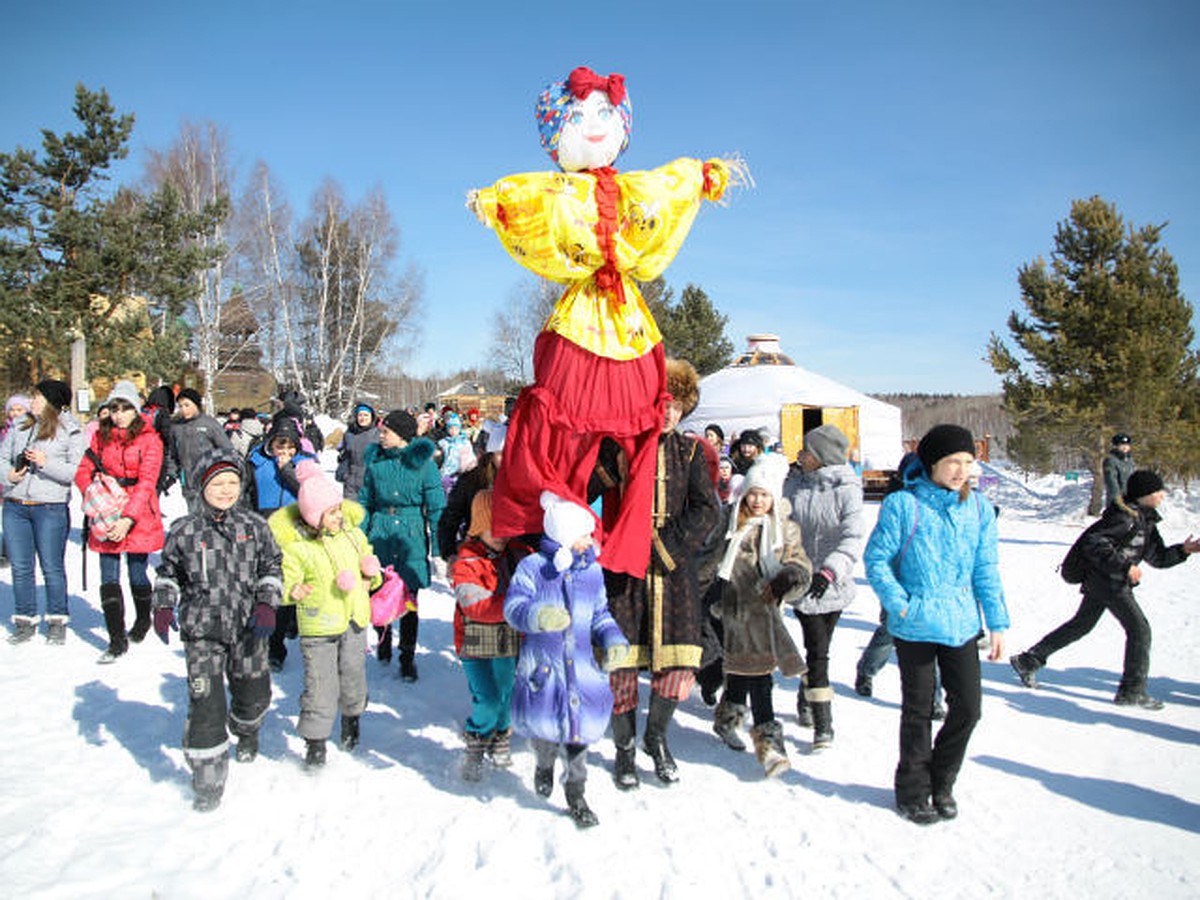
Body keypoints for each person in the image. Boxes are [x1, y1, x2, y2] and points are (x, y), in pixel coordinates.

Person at [863, 424, 1009, 825]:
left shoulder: (978, 508)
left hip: (961, 621)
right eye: (952, 462)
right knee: (919, 710)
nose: (962, 471)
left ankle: (942, 781)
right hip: (916, 621)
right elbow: (877, 561)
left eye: (967, 461)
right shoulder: (903, 505)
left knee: (968, 709)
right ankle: (912, 790)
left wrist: (996, 622)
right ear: (931, 463)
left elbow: (986, 568)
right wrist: (900, 604)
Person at [602, 359, 720, 788]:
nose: (668, 413)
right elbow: (588, 487)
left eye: (676, 405)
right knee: (623, 667)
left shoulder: (690, 451)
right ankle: (625, 750)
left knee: (677, 668)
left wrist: (669, 547)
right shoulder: (623, 444)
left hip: (674, 576)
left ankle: (656, 737)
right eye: (661, 403)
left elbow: (707, 509)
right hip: (626, 572)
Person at [151, 447, 283, 812]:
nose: (226, 490)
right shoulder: (184, 531)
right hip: (201, 630)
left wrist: (266, 601)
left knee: (254, 693)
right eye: (217, 483)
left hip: (248, 628)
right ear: (201, 485)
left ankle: (246, 728)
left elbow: (273, 566)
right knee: (206, 704)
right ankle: (207, 781)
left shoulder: (254, 527)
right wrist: (163, 603)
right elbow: (168, 574)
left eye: (232, 482)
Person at [1010, 469, 1199, 709]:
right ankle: (1132, 691)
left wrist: (1184, 550)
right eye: (1157, 490)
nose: (1162, 494)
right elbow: (1094, 543)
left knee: (1082, 624)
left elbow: (1158, 557)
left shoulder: (1146, 520)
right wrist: (1125, 566)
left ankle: (1030, 660)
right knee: (1140, 630)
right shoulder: (1124, 517)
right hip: (1108, 580)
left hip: (1108, 580)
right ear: (1145, 494)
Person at [503, 492, 629, 828]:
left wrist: (613, 639)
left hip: (583, 671)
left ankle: (576, 794)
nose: (590, 540)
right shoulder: (533, 568)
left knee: (579, 737)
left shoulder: (593, 574)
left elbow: (600, 614)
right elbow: (513, 607)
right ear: (564, 534)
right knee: (545, 732)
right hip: (545, 669)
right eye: (584, 534)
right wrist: (538, 616)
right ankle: (544, 764)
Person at [269, 459, 381, 768]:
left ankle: (351, 717)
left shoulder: (353, 535)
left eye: (338, 509)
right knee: (320, 683)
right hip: (319, 623)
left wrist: (372, 574)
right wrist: (294, 590)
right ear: (313, 518)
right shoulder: (299, 548)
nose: (339, 516)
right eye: (331, 513)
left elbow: (369, 561)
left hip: (354, 620)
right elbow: (287, 578)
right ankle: (315, 740)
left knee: (353, 673)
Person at [710, 454, 811, 776]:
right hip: (731, 611)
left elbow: (799, 563)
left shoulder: (785, 530)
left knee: (750, 673)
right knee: (756, 676)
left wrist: (789, 577)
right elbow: (707, 562)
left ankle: (730, 720)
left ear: (774, 497)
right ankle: (768, 744)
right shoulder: (728, 523)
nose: (757, 500)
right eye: (753, 493)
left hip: (766, 613)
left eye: (765, 495)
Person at [783, 424, 865, 751]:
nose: (800, 454)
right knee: (818, 652)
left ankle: (806, 695)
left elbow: (852, 536)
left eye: (806, 451)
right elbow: (783, 525)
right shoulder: (795, 484)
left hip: (834, 580)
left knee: (819, 646)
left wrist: (831, 570)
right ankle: (823, 722)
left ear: (821, 456)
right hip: (803, 579)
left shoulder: (847, 488)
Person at [75, 380, 165, 662]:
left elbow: (148, 480)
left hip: (137, 510)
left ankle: (142, 619)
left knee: (137, 573)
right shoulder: (100, 437)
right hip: (106, 510)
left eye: (125, 408)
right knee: (108, 575)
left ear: (135, 410)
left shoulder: (150, 439)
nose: (119, 414)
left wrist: (128, 518)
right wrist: (94, 494)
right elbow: (83, 469)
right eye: (114, 408)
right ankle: (116, 638)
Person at [449, 490, 533, 780]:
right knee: (487, 698)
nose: (499, 534)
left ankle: (501, 736)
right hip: (474, 643)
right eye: (492, 527)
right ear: (477, 527)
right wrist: (516, 606)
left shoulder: (520, 554)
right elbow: (475, 606)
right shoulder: (467, 562)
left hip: (507, 640)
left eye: (504, 527)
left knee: (507, 693)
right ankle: (476, 740)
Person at [359, 409, 444, 680]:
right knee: (378, 591)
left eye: (386, 432)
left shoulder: (424, 465)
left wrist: (441, 550)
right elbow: (364, 502)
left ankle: (407, 655)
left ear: (402, 435)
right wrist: (359, 539)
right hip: (380, 533)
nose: (380, 435)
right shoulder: (375, 464)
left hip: (411, 535)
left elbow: (436, 507)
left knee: (410, 599)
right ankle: (382, 638)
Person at [3, 381, 84, 644]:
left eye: (37, 397)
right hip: (15, 504)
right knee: (21, 567)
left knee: (52, 566)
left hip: (49, 507)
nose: (32, 402)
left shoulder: (70, 430)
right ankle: (25, 619)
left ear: (51, 401)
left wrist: (46, 463)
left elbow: (76, 471)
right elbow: (2, 457)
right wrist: (8, 474)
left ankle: (57, 619)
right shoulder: (19, 425)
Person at [246, 415, 317, 672]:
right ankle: (262, 637)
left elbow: (309, 494)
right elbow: (247, 494)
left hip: (293, 527)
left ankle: (277, 647)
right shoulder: (255, 460)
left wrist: (287, 469)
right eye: (280, 446)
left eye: (290, 447)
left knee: (286, 586)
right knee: (264, 585)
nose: (284, 452)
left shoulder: (305, 464)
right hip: (263, 525)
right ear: (271, 442)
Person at [439, 424, 506, 563]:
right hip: (477, 550)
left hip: (513, 551)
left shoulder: (524, 480)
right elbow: (450, 517)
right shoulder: (471, 480)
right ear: (491, 454)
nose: (507, 459)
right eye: (501, 454)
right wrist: (449, 552)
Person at [170, 387, 234, 513]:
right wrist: (171, 473)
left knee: (211, 514)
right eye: (180, 406)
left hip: (209, 478)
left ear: (196, 405)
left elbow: (227, 450)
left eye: (187, 405)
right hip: (188, 481)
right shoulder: (176, 427)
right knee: (194, 515)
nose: (183, 409)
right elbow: (172, 454)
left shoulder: (209, 424)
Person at [1, 392, 33, 569]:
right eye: (12, 409)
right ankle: (7, 550)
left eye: (19, 409)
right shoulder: (4, 430)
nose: (15, 413)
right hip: (6, 477)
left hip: (24, 482)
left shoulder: (30, 430)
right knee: (8, 516)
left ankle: (16, 549)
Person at [335, 402, 379, 500]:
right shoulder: (349, 434)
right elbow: (344, 454)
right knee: (350, 512)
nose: (362, 418)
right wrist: (344, 474)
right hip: (351, 481)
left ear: (372, 417)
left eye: (366, 415)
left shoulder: (378, 434)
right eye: (360, 415)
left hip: (370, 481)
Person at [436, 411, 476, 494]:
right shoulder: (443, 442)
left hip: (462, 473)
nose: (453, 431)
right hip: (446, 473)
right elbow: (439, 457)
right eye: (451, 428)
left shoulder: (464, 442)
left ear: (459, 429)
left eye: (456, 428)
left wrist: (471, 468)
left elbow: (470, 457)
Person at [1103, 433, 1135, 510]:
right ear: (1116, 446)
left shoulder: (1130, 460)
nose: (1125, 447)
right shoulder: (1111, 460)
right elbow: (1111, 481)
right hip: (1118, 499)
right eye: (1122, 445)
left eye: (1127, 445)